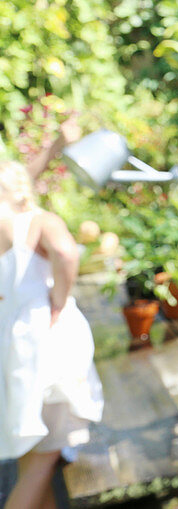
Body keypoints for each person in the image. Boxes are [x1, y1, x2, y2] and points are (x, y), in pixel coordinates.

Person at [0, 160, 103, 509]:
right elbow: (65, 252)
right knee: (42, 462)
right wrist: (58, 299)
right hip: (44, 345)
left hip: (8, 348)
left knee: (32, 457)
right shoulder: (40, 221)